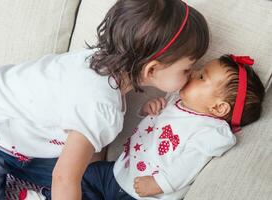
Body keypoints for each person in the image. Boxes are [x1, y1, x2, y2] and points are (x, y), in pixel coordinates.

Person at [0, 0, 209, 199]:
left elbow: (89, 145)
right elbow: (64, 178)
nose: (190, 76)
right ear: (152, 69)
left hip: (13, 139)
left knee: (84, 180)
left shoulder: (97, 64)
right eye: (187, 70)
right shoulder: (100, 103)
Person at [79, 55, 265, 200]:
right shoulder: (176, 98)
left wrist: (159, 184)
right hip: (120, 171)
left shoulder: (210, 131)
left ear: (218, 107)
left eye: (201, 76)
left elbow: (187, 165)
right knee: (85, 176)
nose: (193, 73)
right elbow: (151, 125)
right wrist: (148, 109)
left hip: (148, 193)